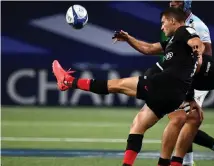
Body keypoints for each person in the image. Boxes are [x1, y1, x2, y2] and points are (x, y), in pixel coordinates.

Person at [52, 7, 205, 166]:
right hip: (175, 95)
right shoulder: (175, 42)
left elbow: (196, 41)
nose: (162, 27)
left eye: (163, 22)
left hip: (163, 84)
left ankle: (68, 82)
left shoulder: (183, 30)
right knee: (138, 124)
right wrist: (128, 38)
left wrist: (197, 49)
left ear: (173, 21)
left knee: (115, 85)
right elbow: (149, 49)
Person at [162, 1, 214, 165]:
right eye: (170, 1)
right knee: (182, 120)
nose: (172, 4)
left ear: (186, 3)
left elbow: (206, 54)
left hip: (193, 79)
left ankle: (189, 161)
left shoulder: (197, 25)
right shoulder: (173, 20)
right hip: (183, 76)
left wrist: (189, 79)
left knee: (184, 120)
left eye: (176, 2)